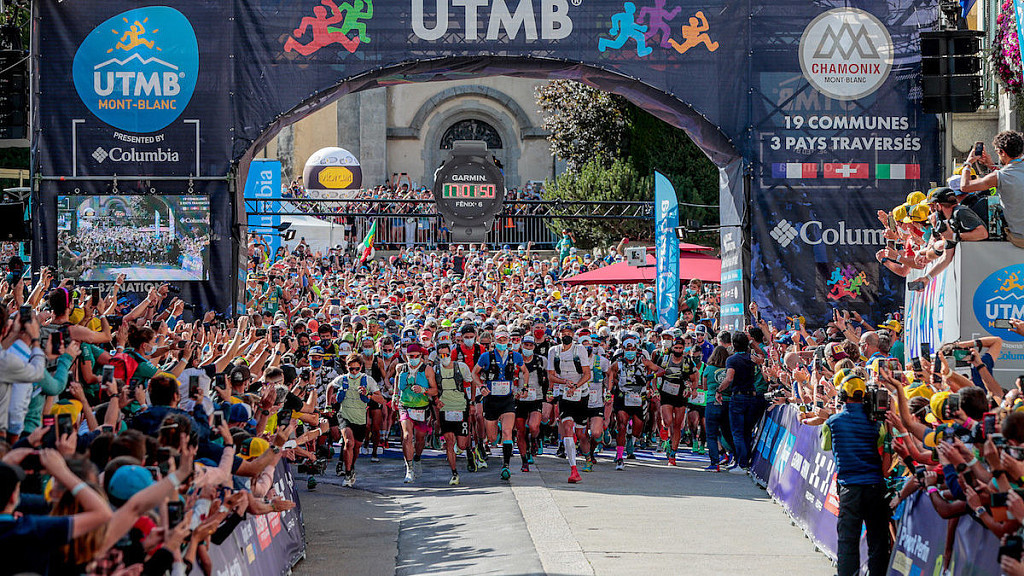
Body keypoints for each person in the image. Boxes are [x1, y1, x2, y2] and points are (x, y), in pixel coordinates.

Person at [821, 368, 891, 576]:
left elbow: (825, 445)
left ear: (842, 395)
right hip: (875, 487)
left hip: (849, 488)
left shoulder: (832, 423)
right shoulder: (877, 424)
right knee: (878, 540)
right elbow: (882, 447)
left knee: (848, 540)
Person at [472, 327, 526, 481]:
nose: (502, 342)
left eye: (504, 340)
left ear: (508, 341)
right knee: (492, 437)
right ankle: (484, 443)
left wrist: (524, 387)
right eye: (499, 340)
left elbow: (525, 371)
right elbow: (474, 373)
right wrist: (481, 386)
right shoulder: (486, 356)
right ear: (495, 341)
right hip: (491, 399)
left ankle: (506, 465)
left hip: (507, 399)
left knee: (508, 432)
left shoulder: (515, 356)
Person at [960, 130, 1024, 247]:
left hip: (1019, 237)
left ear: (1002, 152)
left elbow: (965, 186)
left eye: (997, 152)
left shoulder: (1000, 176)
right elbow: (1013, 176)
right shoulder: (1003, 175)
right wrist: (991, 165)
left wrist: (968, 163)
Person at [547, 324, 591, 483]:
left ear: (573, 335)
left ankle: (587, 456)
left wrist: (576, 386)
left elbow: (587, 374)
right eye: (563, 333)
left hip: (581, 394)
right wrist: (565, 382)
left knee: (580, 433)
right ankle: (573, 469)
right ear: (558, 335)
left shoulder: (580, 350)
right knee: (567, 427)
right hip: (564, 394)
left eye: (569, 333)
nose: (566, 335)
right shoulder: (553, 351)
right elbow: (551, 376)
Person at [334, 353, 385, 487]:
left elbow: (381, 400)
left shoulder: (368, 380)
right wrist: (328, 404)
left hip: (360, 418)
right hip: (344, 415)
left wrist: (368, 394)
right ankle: (347, 473)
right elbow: (330, 387)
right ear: (347, 367)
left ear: (361, 367)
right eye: (351, 369)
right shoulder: (342, 379)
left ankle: (351, 467)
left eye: (357, 369)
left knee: (356, 447)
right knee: (348, 442)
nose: (354, 372)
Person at [394, 343, 437, 483]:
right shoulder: (401, 368)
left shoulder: (427, 370)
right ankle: (409, 468)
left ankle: (417, 457)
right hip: (405, 406)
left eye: (416, 356)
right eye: (410, 356)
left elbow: (435, 390)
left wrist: (423, 390)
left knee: (420, 439)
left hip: (422, 408)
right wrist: (395, 395)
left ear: (420, 356)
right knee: (407, 436)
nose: (413, 359)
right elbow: (397, 380)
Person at [717, 331, 759, 473]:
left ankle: (741, 464)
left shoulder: (732, 360)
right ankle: (744, 463)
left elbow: (729, 378)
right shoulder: (752, 358)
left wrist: (719, 389)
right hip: (751, 396)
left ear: (734, 344)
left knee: (737, 433)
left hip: (738, 397)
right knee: (747, 431)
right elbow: (763, 357)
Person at [434, 342, 472, 485]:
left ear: (451, 354)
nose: (444, 357)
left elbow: (471, 382)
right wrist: (436, 400)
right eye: (441, 355)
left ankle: (470, 451)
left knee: (461, 444)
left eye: (446, 354)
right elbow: (433, 387)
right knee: (450, 442)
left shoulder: (461, 367)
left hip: (460, 407)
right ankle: (454, 473)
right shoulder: (436, 370)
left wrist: (472, 402)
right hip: (445, 408)